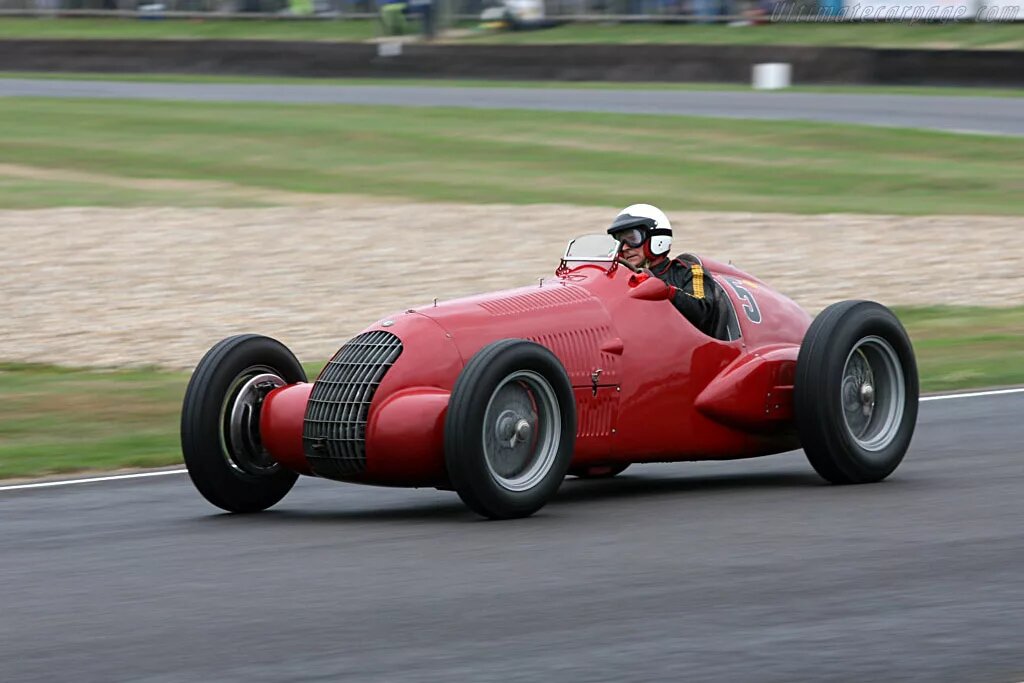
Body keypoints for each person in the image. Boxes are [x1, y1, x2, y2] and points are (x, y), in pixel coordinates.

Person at [607, 203, 722, 338]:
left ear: (657, 239)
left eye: (633, 238)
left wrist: (667, 292)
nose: (624, 247)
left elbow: (703, 313)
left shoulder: (688, 272)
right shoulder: (621, 278)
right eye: (620, 241)